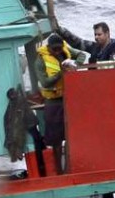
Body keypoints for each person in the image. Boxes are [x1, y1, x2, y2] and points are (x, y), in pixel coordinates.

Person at [35, 33, 89, 174]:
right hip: (53, 102)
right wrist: (61, 73)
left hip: (68, 98)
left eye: (59, 48)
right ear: (49, 48)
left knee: (73, 136)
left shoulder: (65, 49)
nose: (58, 51)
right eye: (55, 49)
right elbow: (45, 82)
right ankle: (59, 170)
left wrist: (75, 64)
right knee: (56, 140)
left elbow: (82, 55)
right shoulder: (40, 60)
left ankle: (73, 167)